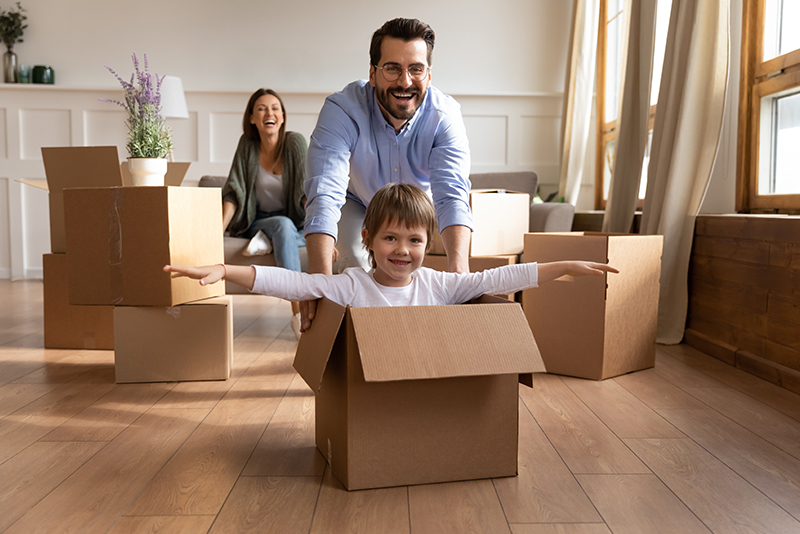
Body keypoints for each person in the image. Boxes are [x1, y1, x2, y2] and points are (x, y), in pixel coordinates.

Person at [165, 184, 618, 309]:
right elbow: (290, 282)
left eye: (415, 240)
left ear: (429, 243)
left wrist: (561, 265)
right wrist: (226, 272)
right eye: (390, 238)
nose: (403, 250)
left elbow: (500, 277)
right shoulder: (351, 285)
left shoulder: (439, 286)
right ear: (368, 240)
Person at [300, 18, 473, 328]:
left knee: (406, 270)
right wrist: (318, 284)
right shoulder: (342, 110)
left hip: (416, 205)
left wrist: (460, 275)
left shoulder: (445, 117)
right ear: (372, 73)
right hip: (357, 199)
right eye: (392, 68)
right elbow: (325, 193)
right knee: (353, 260)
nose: (404, 81)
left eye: (416, 69)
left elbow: (451, 195)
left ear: (429, 75)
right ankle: (359, 337)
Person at [221, 88, 307, 339]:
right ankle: (299, 313)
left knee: (286, 228)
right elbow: (234, 192)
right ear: (252, 118)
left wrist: (323, 234)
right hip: (255, 220)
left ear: (282, 116)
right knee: (282, 225)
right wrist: (217, 232)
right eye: (261, 108)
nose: (269, 113)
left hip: (294, 221)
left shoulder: (295, 143)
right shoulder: (247, 146)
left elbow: (306, 192)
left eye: (275, 108)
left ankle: (269, 242)